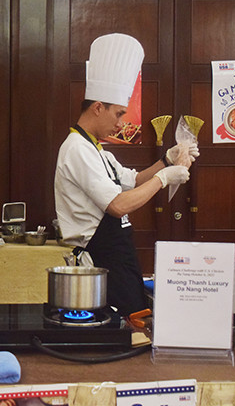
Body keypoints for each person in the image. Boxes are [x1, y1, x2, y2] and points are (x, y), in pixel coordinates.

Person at [54, 33, 198, 316]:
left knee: (134, 316)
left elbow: (130, 180)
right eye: (119, 114)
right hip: (99, 257)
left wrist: (166, 159)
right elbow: (118, 206)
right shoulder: (76, 149)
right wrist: (166, 178)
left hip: (117, 254)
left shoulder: (97, 150)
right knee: (119, 325)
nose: (121, 123)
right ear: (98, 107)